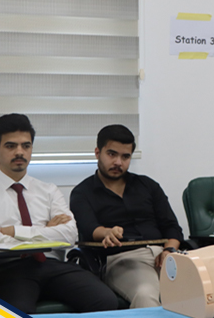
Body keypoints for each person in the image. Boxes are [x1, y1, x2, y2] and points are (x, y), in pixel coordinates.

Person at [0, 114, 119, 314]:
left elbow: (69, 235)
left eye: (26, 146)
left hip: (52, 265)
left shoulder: (48, 190)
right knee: (20, 313)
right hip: (8, 270)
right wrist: (46, 231)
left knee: (105, 301)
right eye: (11, 146)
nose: (19, 152)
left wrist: (14, 231)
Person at [69, 125, 186, 308]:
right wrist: (107, 233)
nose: (118, 162)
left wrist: (169, 251)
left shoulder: (148, 186)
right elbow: (89, 228)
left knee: (205, 288)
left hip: (165, 255)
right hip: (124, 259)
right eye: (112, 154)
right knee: (146, 294)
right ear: (97, 153)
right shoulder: (82, 193)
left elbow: (172, 227)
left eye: (125, 157)